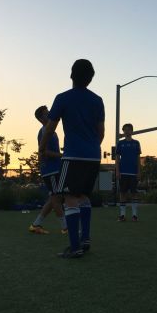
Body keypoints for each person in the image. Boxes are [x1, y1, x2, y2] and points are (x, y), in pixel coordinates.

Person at [39, 59, 105, 259]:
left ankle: (75, 247)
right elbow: (100, 132)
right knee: (83, 196)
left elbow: (50, 127)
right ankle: (85, 240)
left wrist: (41, 148)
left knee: (69, 198)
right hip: (93, 156)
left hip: (73, 156)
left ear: (71, 75)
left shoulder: (63, 98)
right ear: (91, 78)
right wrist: (92, 147)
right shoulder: (97, 100)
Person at [28, 105, 67, 235]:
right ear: (40, 118)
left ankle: (36, 225)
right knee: (57, 198)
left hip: (54, 169)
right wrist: (61, 155)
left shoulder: (52, 130)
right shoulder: (44, 131)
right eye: (46, 113)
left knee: (53, 198)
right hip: (50, 170)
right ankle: (65, 228)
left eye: (49, 112)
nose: (50, 114)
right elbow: (43, 153)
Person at [115, 123, 142, 221]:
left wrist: (139, 172)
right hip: (123, 173)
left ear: (132, 131)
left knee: (134, 193)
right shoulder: (120, 143)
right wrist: (117, 171)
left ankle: (134, 215)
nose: (127, 131)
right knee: (123, 193)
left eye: (129, 129)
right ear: (123, 131)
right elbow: (117, 159)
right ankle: (122, 215)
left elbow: (138, 159)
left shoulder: (136, 143)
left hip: (134, 173)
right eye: (125, 130)